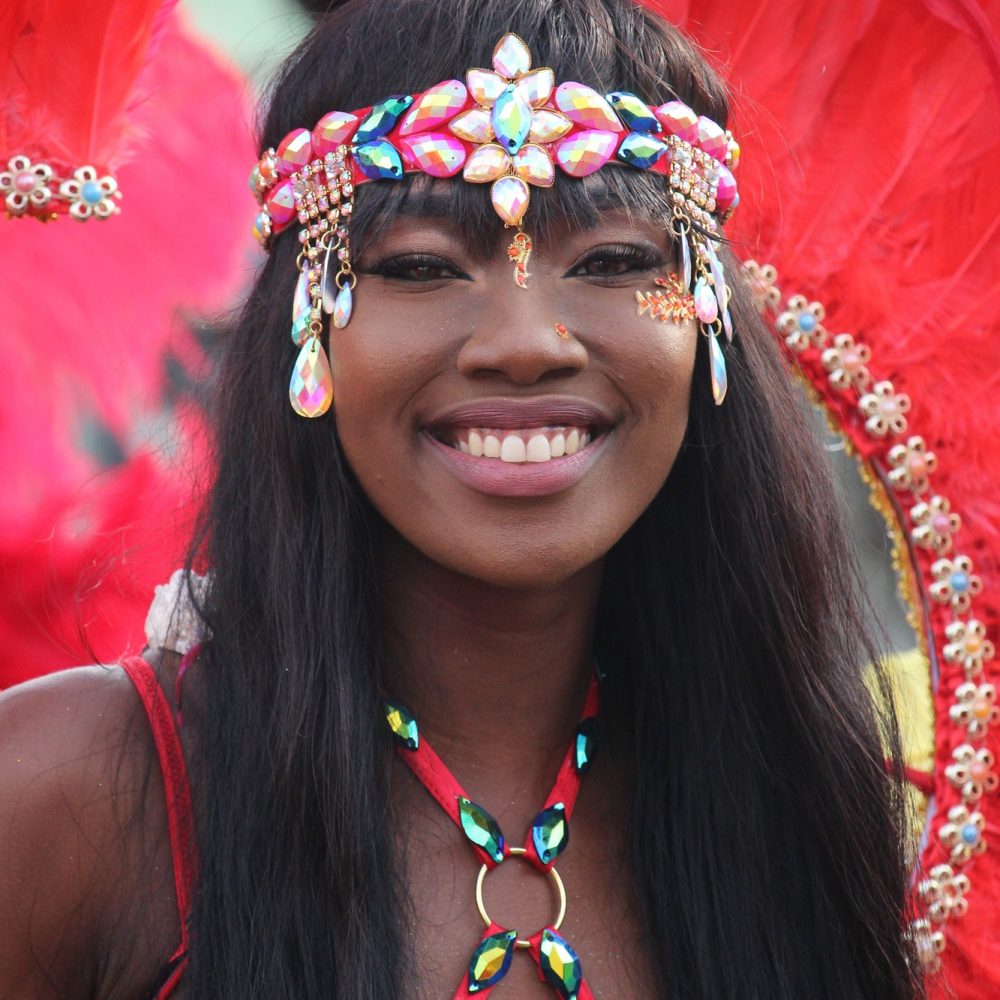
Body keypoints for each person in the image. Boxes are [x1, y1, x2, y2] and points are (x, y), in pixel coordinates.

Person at [0, 0, 931, 996]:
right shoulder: (74, 796)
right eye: (421, 268)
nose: (525, 341)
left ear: (706, 325)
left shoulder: (814, 808)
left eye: (613, 261)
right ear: (306, 330)